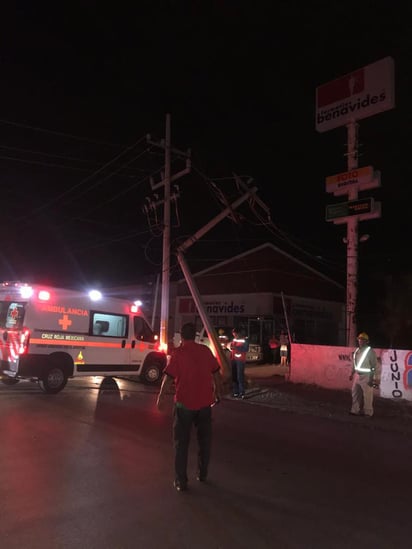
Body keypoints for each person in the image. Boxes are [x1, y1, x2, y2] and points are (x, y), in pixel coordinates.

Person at [156, 322, 223, 492]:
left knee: (181, 444)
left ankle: (181, 481)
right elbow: (216, 373)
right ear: (194, 335)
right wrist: (217, 392)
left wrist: (161, 397)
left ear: (182, 337)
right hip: (205, 405)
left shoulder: (178, 353)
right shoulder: (205, 351)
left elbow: (169, 378)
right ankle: (202, 473)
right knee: (204, 442)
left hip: (184, 405)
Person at [349, 332, 379, 417]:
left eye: (362, 340)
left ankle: (368, 413)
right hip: (357, 376)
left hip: (367, 376)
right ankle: (355, 410)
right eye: (359, 339)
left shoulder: (370, 351)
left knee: (367, 395)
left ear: (366, 341)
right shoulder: (356, 351)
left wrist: (372, 379)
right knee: (355, 393)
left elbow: (374, 366)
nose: (360, 341)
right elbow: (354, 364)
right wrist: (352, 374)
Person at [230, 328, 248, 398]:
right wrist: (231, 347)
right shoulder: (234, 339)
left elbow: (245, 349)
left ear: (238, 333)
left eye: (235, 333)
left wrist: (236, 348)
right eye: (233, 334)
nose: (234, 335)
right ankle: (236, 392)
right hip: (233, 359)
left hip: (240, 360)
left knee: (240, 376)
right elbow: (232, 347)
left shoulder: (244, 340)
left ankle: (242, 393)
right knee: (234, 377)